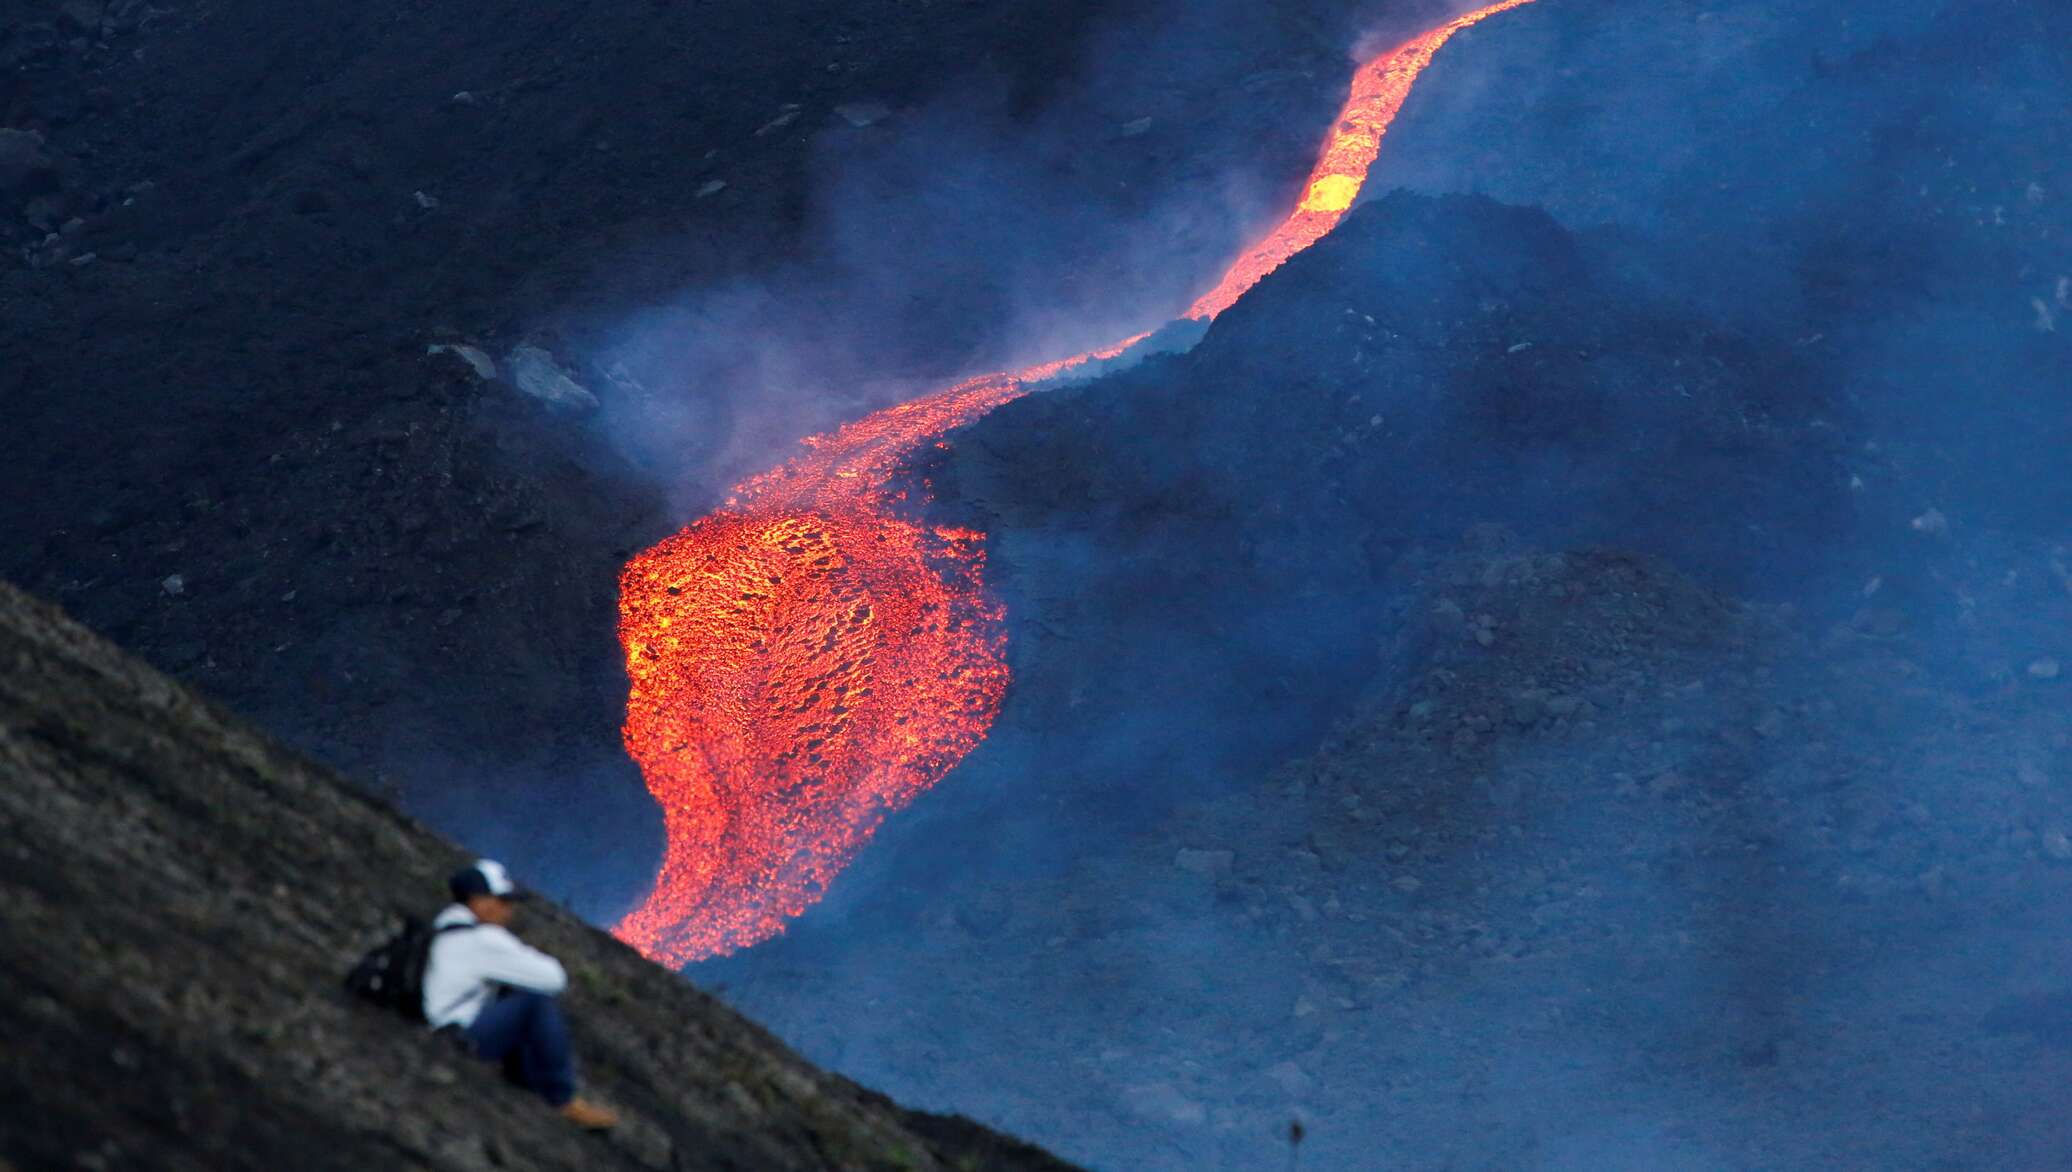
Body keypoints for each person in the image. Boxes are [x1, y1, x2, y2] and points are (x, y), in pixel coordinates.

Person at [422, 858, 620, 1130]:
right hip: (457, 1036)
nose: (509, 909)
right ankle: (562, 1098)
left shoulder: (443, 929)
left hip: (437, 1026)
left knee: (512, 995)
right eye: (502, 900)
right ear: (478, 901)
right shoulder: (482, 940)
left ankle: (528, 1080)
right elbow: (554, 978)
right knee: (533, 1003)